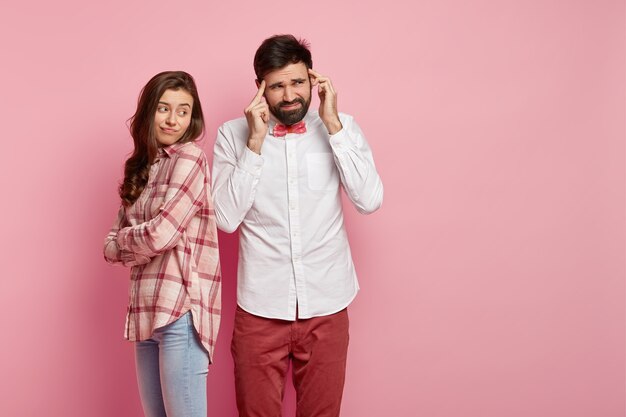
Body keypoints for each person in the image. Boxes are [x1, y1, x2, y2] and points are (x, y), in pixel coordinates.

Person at [212, 34, 383, 417]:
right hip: (260, 307)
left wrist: (334, 126)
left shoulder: (342, 128)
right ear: (260, 89)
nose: (289, 95)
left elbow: (369, 200)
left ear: (314, 81)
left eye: (298, 82)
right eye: (277, 86)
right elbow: (225, 218)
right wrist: (254, 144)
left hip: (328, 301)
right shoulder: (231, 136)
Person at [103, 71, 221, 417]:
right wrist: (132, 239)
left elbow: (160, 235)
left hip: (179, 312)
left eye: (183, 111)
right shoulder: (140, 167)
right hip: (144, 314)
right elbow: (107, 247)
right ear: (148, 112)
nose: (173, 120)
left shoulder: (189, 159)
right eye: (164, 109)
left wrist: (128, 239)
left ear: (192, 116)